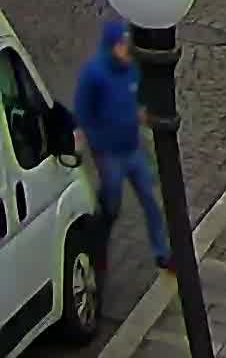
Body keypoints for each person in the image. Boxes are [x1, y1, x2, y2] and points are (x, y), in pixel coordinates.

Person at [73, 20, 166, 276]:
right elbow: (82, 112)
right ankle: (97, 244)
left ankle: (163, 254)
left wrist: (142, 115)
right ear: (111, 46)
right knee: (112, 207)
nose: (126, 50)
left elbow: (137, 101)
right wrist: (95, 144)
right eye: (122, 46)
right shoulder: (94, 74)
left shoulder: (132, 69)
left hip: (133, 149)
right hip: (110, 155)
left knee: (151, 201)